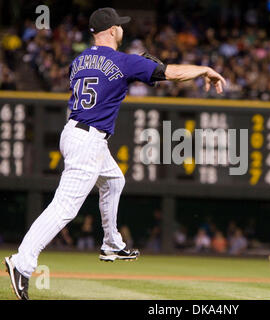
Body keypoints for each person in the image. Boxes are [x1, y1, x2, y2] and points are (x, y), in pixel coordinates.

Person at [4, 7, 226, 300]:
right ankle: (22, 262)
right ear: (110, 31)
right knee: (64, 208)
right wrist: (204, 70)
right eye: (119, 26)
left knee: (114, 181)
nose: (122, 29)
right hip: (88, 140)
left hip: (75, 131)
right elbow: (171, 73)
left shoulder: (79, 60)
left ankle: (111, 243)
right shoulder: (122, 61)